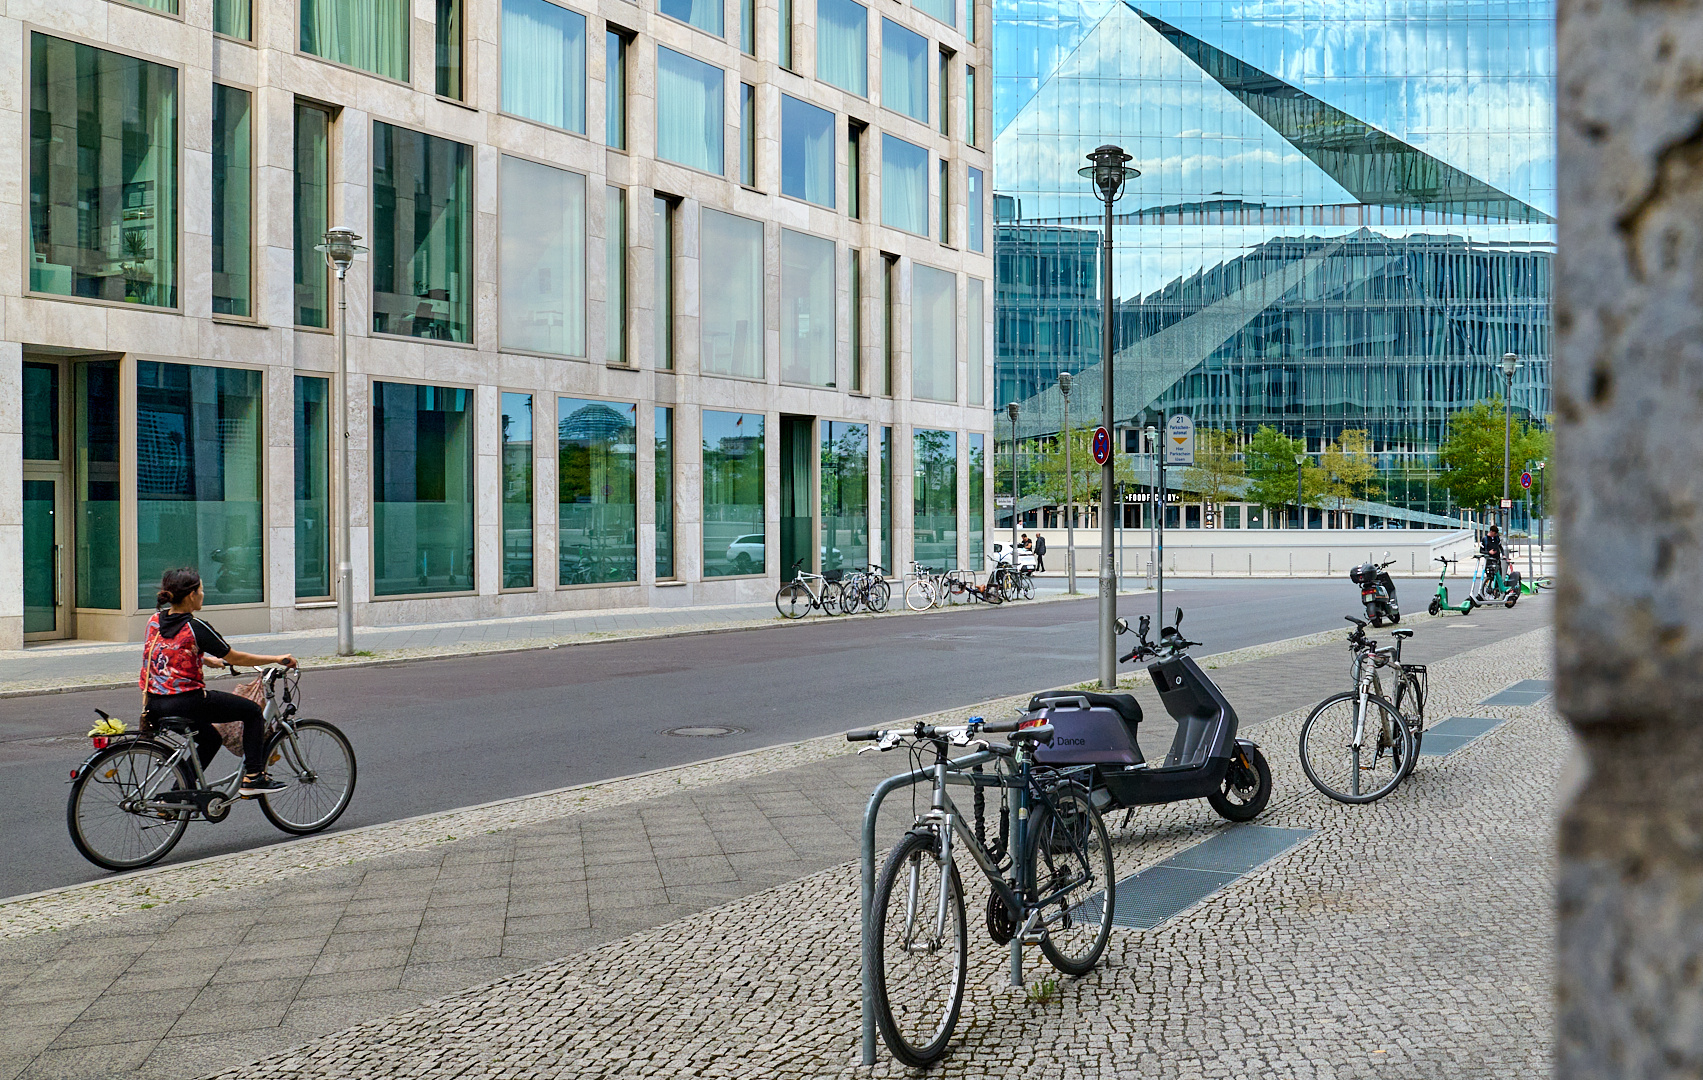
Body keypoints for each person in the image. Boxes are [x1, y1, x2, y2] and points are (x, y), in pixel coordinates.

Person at [141, 568, 297, 796]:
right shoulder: (196, 627)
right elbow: (235, 658)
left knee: (212, 738)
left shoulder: (154, 621)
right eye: (201, 590)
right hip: (187, 703)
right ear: (192, 595)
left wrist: (203, 659)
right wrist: (276, 658)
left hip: (154, 705)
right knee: (253, 712)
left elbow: (165, 651)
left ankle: (178, 794)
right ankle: (254, 777)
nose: (204, 595)